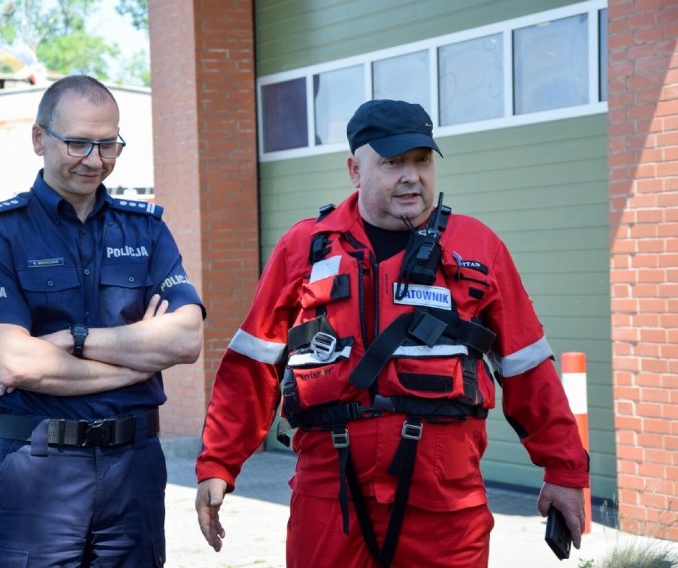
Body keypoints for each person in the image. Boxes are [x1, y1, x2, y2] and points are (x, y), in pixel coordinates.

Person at [195, 99, 589, 567]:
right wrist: (219, 463)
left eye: (421, 160)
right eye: (392, 162)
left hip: (445, 499)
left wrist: (564, 469)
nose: (411, 175)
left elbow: (528, 368)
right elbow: (253, 364)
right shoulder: (303, 247)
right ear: (355, 171)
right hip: (330, 495)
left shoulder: (478, 247)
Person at [0, 75, 205, 567]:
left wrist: (74, 339)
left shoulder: (147, 230)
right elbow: (13, 363)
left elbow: (185, 339)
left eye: (109, 144)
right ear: (39, 139)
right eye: (77, 143)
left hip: (133, 471)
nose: (95, 160)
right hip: (37, 471)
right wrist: (137, 360)